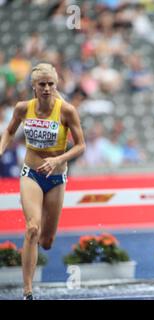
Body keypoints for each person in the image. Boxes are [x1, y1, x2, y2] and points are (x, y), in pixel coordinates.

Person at [0, 63, 85, 300]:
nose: (47, 88)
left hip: (56, 178)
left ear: (55, 85)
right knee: (32, 228)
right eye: (42, 84)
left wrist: (59, 159)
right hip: (31, 174)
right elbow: (9, 131)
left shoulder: (66, 110)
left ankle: (38, 251)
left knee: (46, 241)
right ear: (34, 87)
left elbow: (81, 145)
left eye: (51, 84)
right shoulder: (22, 108)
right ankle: (27, 290)